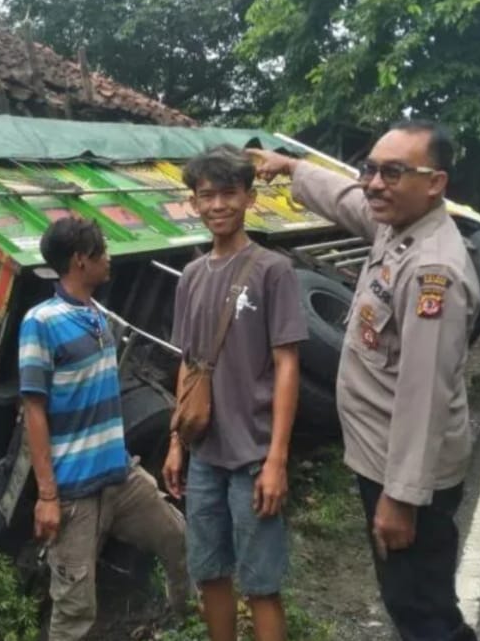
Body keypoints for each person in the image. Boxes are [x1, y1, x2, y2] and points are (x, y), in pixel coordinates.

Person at [249, 121, 480, 641]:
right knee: (418, 597)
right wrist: (293, 169)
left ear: (435, 182)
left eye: (393, 172)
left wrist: (400, 498)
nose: (375, 183)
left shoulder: (431, 272)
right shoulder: (399, 225)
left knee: (419, 607)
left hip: (406, 474)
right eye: (371, 168)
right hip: (383, 457)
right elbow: (348, 199)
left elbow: (425, 399)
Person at [18, 217, 188, 641]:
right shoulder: (41, 322)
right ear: (80, 261)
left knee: (179, 540)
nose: (110, 259)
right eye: (103, 252)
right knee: (75, 611)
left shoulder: (95, 314)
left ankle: (184, 620)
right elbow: (34, 412)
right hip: (75, 495)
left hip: (120, 476)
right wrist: (47, 496)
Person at [162, 145, 308, 641]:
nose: (218, 205)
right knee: (210, 573)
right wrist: (177, 442)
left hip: (254, 454)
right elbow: (189, 363)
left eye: (229, 193)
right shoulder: (191, 277)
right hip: (205, 453)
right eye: (207, 195)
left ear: (248, 197)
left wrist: (277, 460)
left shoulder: (273, 270)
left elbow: (288, 364)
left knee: (261, 584)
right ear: (194, 203)